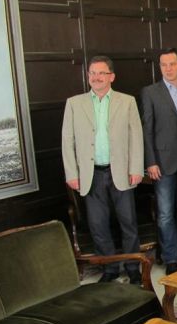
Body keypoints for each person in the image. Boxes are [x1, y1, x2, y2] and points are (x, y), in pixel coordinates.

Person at [61, 55, 144, 284]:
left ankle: (133, 268)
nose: (96, 77)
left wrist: (136, 168)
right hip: (91, 175)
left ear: (111, 77)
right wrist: (72, 173)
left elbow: (136, 137)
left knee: (128, 223)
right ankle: (110, 269)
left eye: (101, 73)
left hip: (122, 172)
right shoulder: (74, 103)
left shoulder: (127, 101)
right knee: (98, 225)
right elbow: (67, 141)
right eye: (92, 73)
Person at [141, 48, 177, 275]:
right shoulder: (150, 92)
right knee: (165, 213)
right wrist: (150, 161)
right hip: (162, 162)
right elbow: (147, 129)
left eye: (172, 64)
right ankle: (170, 257)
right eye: (164, 65)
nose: (168, 68)